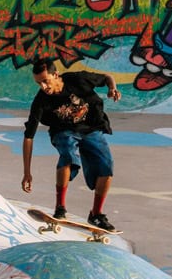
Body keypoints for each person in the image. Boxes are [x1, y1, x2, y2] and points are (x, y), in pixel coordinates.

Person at [21, 58, 122, 231]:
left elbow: (107, 77)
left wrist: (112, 88)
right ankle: (60, 208)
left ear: (56, 75)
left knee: (107, 168)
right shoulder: (40, 101)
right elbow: (29, 137)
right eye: (39, 84)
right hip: (63, 131)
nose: (43, 87)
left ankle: (96, 214)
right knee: (68, 155)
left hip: (91, 129)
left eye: (46, 81)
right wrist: (27, 173)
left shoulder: (77, 79)